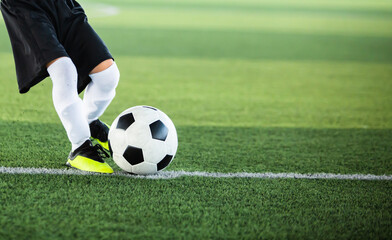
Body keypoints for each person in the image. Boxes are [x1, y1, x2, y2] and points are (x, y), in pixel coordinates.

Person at [1, 0, 120, 173]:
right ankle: (80, 148)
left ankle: (88, 121)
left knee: (107, 75)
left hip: (62, 4)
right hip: (26, 5)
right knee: (64, 71)